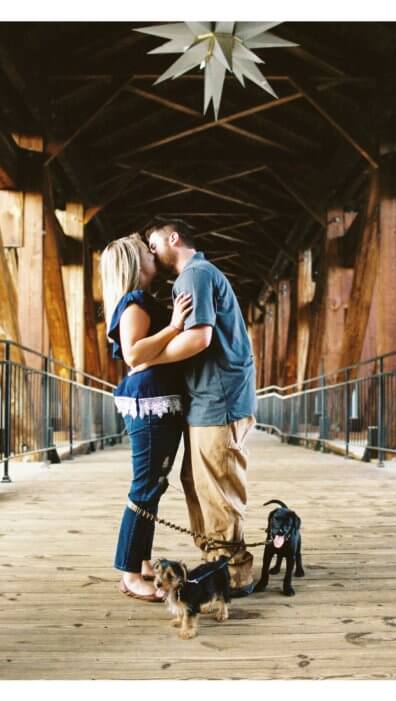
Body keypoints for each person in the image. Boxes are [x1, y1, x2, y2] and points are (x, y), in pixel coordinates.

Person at [136, 219, 258, 596]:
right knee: (197, 481)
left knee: (216, 485)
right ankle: (214, 562)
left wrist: (148, 359)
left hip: (218, 399)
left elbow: (200, 338)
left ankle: (234, 573)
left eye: (154, 243)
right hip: (211, 398)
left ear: (173, 238)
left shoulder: (194, 275)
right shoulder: (200, 274)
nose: (151, 251)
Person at [101, 233, 193, 602]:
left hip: (157, 400)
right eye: (146, 250)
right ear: (135, 263)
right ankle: (128, 573)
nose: (152, 252)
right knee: (145, 487)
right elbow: (133, 354)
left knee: (153, 485)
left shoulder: (138, 301)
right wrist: (173, 326)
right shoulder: (135, 302)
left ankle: (140, 562)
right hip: (149, 401)